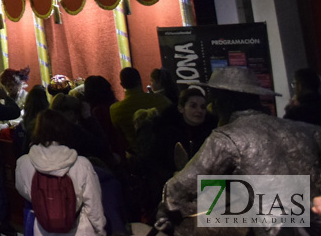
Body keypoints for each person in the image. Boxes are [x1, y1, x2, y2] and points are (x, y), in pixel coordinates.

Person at [157, 67, 321, 236]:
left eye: (215, 99)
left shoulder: (227, 137)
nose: (212, 106)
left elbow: (177, 190)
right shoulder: (309, 131)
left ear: (226, 101)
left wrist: (166, 214)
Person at [15, 110, 106, 236]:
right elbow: (93, 205)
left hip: (42, 230)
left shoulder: (24, 163)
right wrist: (100, 230)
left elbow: (25, 192)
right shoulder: (81, 164)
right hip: (80, 229)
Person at [134, 87, 217, 222]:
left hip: (204, 193)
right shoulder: (164, 133)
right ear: (181, 108)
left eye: (202, 107)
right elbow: (152, 163)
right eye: (193, 106)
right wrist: (172, 177)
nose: (199, 111)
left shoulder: (212, 134)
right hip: (170, 193)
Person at [109, 67, 170, 151]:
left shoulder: (115, 110)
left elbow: (119, 137)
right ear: (140, 81)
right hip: (164, 149)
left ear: (122, 84)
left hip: (136, 155)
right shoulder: (161, 99)